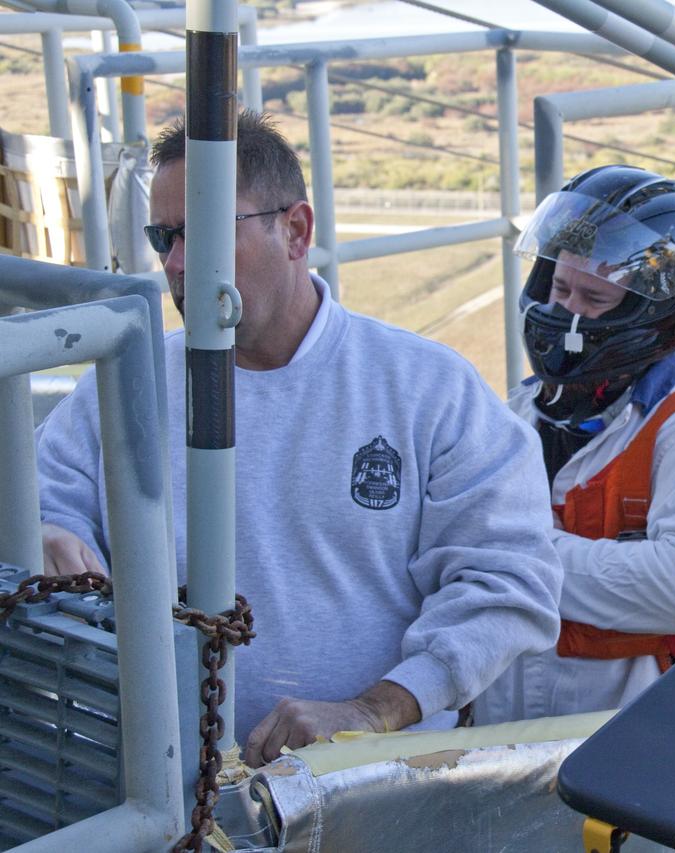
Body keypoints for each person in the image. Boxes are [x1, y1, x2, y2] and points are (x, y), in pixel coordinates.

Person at [35, 110, 562, 764]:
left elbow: (507, 579)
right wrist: (50, 531)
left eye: (203, 232)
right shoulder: (128, 385)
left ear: (296, 230)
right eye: (163, 235)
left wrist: (373, 710)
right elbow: (45, 497)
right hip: (162, 784)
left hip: (369, 788)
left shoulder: (427, 388)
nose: (175, 262)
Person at [471, 165, 675, 724]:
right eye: (558, 287)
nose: (566, 313)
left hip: (624, 745)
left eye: (595, 297)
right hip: (497, 740)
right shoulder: (513, 414)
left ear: (653, 314)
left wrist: (517, 557)